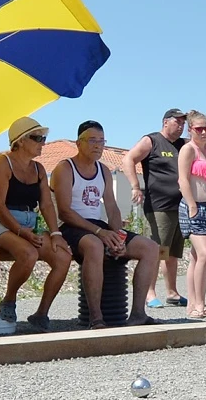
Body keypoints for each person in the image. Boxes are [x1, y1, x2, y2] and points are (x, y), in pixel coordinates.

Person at [51, 120, 160, 328]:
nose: (97, 146)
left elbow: (111, 207)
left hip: (97, 226)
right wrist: (100, 232)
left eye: (101, 141)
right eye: (92, 140)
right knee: (94, 244)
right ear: (78, 143)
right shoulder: (65, 168)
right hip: (71, 227)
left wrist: (117, 235)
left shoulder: (104, 171)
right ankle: (96, 317)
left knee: (151, 248)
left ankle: (138, 313)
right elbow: (64, 211)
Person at [0, 117, 72, 333]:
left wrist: (56, 233)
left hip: (28, 224)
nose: (42, 142)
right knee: (29, 254)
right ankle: (9, 299)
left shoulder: (40, 169)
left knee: (62, 256)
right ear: (20, 141)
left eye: (43, 138)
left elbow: (46, 205)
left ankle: (41, 313)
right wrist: (20, 231)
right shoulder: (1, 163)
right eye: (37, 137)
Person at [121, 108, 188, 309]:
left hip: (181, 205)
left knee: (174, 253)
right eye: (177, 122)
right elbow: (128, 159)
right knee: (157, 250)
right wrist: (135, 186)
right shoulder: (152, 140)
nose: (181, 126)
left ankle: (172, 292)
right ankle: (149, 293)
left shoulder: (184, 145)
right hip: (159, 205)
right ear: (165, 122)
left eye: (183, 123)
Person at [177, 110, 206, 320]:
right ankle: (198, 304)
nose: (203, 132)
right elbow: (183, 180)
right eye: (199, 129)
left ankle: (195, 304)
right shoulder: (188, 150)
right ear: (190, 130)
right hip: (193, 207)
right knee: (204, 253)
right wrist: (192, 205)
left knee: (196, 257)